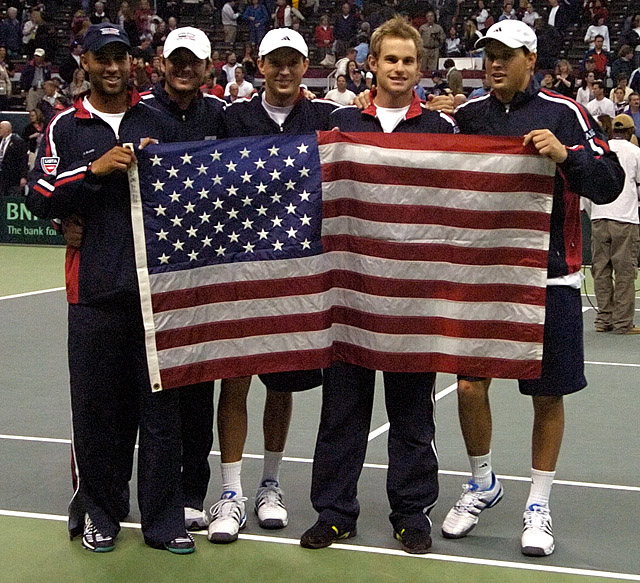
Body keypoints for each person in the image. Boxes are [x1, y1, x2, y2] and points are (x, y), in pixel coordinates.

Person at [441, 19, 624, 557]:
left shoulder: (565, 114)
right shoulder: (468, 117)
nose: (494, 63)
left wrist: (568, 156)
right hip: (484, 275)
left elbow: (610, 183)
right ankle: (482, 483)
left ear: (531, 57)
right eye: (489, 55)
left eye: (505, 54)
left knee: (547, 395)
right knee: (471, 386)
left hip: (550, 275)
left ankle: (539, 502)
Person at [25, 22, 194, 555]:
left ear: (132, 64)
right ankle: (100, 512)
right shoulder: (64, 127)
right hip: (94, 292)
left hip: (156, 295)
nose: (114, 67)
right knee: (99, 413)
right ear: (87, 63)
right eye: (104, 59)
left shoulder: (159, 120)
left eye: (122, 58)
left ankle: (164, 521)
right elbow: (39, 195)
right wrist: (93, 172)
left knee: (162, 415)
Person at [300, 16, 457, 556]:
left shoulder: (442, 131)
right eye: (390, 59)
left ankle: (411, 513)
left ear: (421, 68)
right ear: (372, 63)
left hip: (412, 297)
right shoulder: (340, 124)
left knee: (413, 413)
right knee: (342, 412)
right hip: (350, 294)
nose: (398, 68)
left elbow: (458, 205)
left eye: (408, 61)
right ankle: (335, 512)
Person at [205, 27, 332, 545]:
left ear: (306, 67)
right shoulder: (230, 117)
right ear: (259, 65)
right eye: (274, 62)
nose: (283, 71)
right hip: (240, 265)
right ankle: (231, 491)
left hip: (298, 271)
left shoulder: (326, 119)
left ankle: (270, 483)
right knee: (235, 379)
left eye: (293, 63)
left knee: (281, 385)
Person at [138, 25, 226, 532]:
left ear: (208, 65)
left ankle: (192, 489)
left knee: (198, 389)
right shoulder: (138, 114)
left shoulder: (223, 116)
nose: (185, 68)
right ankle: (149, 487)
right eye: (177, 60)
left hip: (206, 274)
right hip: (152, 271)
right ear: (162, 64)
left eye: (193, 61)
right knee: (152, 389)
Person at [584, 113, 640, 335]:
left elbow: (586, 188)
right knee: (625, 272)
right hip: (625, 219)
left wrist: (593, 214)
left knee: (601, 271)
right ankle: (622, 323)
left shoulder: (599, 151)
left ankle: (603, 319)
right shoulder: (636, 152)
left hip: (599, 217)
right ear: (630, 132)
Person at [0, 121, 28, 196]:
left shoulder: (18, 142)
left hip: (13, 178)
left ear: (7, 130)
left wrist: (23, 177)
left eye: (1, 128)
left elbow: (23, 160)